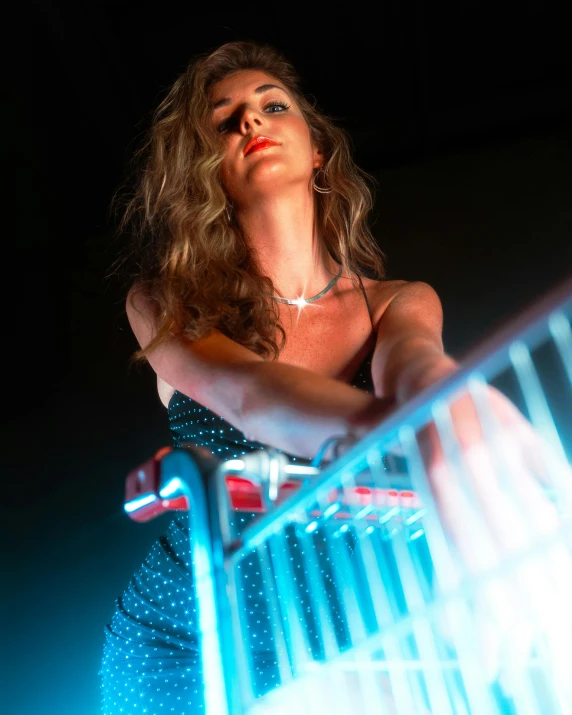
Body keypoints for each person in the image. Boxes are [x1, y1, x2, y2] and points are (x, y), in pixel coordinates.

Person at [99, 40, 467, 715]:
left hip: (349, 639)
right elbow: (252, 396)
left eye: (272, 105)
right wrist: (419, 427)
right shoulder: (164, 302)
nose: (250, 121)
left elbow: (419, 367)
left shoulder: (396, 302)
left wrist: (456, 407)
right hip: (187, 642)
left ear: (317, 148)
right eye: (224, 119)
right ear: (204, 169)